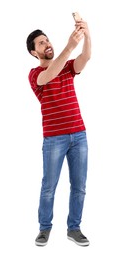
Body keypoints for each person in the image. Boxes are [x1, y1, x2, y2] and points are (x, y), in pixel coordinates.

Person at [26, 17, 91, 246]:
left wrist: (87, 33)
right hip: (54, 139)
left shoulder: (66, 66)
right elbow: (48, 76)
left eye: (47, 40)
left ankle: (74, 228)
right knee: (48, 188)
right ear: (34, 53)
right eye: (41, 43)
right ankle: (44, 228)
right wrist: (70, 46)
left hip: (79, 136)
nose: (47, 44)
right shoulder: (35, 75)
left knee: (79, 187)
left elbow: (85, 58)